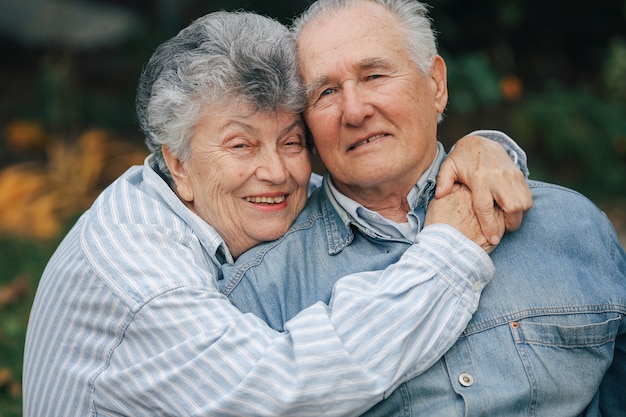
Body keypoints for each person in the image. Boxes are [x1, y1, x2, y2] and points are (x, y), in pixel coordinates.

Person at [22, 10, 533, 417]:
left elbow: (376, 172)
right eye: (241, 145)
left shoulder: (212, 195)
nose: (275, 172)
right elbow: (285, 391)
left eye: (291, 141)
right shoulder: (137, 272)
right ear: (177, 161)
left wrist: (480, 152)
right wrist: (452, 252)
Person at [223, 0, 626, 415]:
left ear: (436, 85)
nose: (356, 110)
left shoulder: (573, 227)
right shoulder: (261, 292)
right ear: (305, 122)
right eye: (325, 92)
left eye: (374, 75)